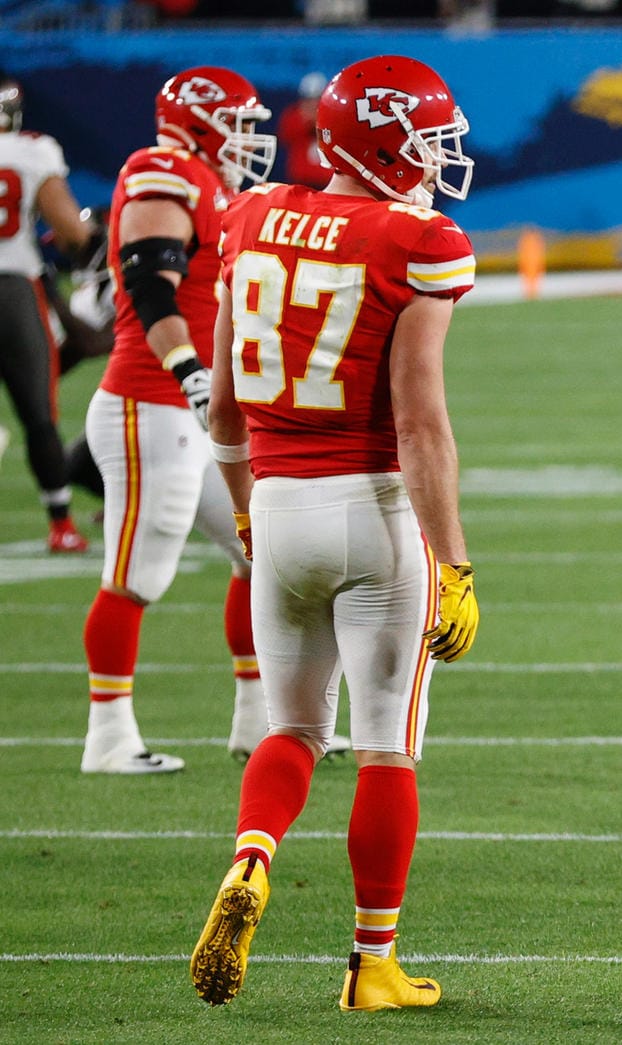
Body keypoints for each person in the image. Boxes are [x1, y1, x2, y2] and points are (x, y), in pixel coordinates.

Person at [188, 55, 481, 1012]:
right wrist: (455, 562)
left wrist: (243, 509)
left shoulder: (249, 215)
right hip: (373, 513)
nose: (441, 159)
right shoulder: (417, 239)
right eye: (430, 140)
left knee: (293, 730)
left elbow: (224, 409)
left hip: (274, 506)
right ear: (386, 140)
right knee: (386, 745)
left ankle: (251, 860)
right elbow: (421, 421)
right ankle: (372, 966)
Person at [79, 66, 278, 774]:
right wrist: (195, 376)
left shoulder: (206, 180)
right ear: (202, 120)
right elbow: (148, 289)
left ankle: (260, 724)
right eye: (240, 122)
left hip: (191, 409)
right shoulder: (163, 171)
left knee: (263, 553)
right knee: (135, 571)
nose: (251, 136)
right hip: (149, 401)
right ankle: (108, 737)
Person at [0, 73, 94, 551]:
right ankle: (61, 524)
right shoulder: (32, 152)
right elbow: (71, 232)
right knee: (39, 412)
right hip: (13, 290)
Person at [275, 71, 332, 189]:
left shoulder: (334, 118)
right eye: (308, 99)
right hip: (300, 183)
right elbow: (285, 136)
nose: (312, 104)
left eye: (317, 99)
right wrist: (306, 121)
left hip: (328, 184)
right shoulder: (293, 116)